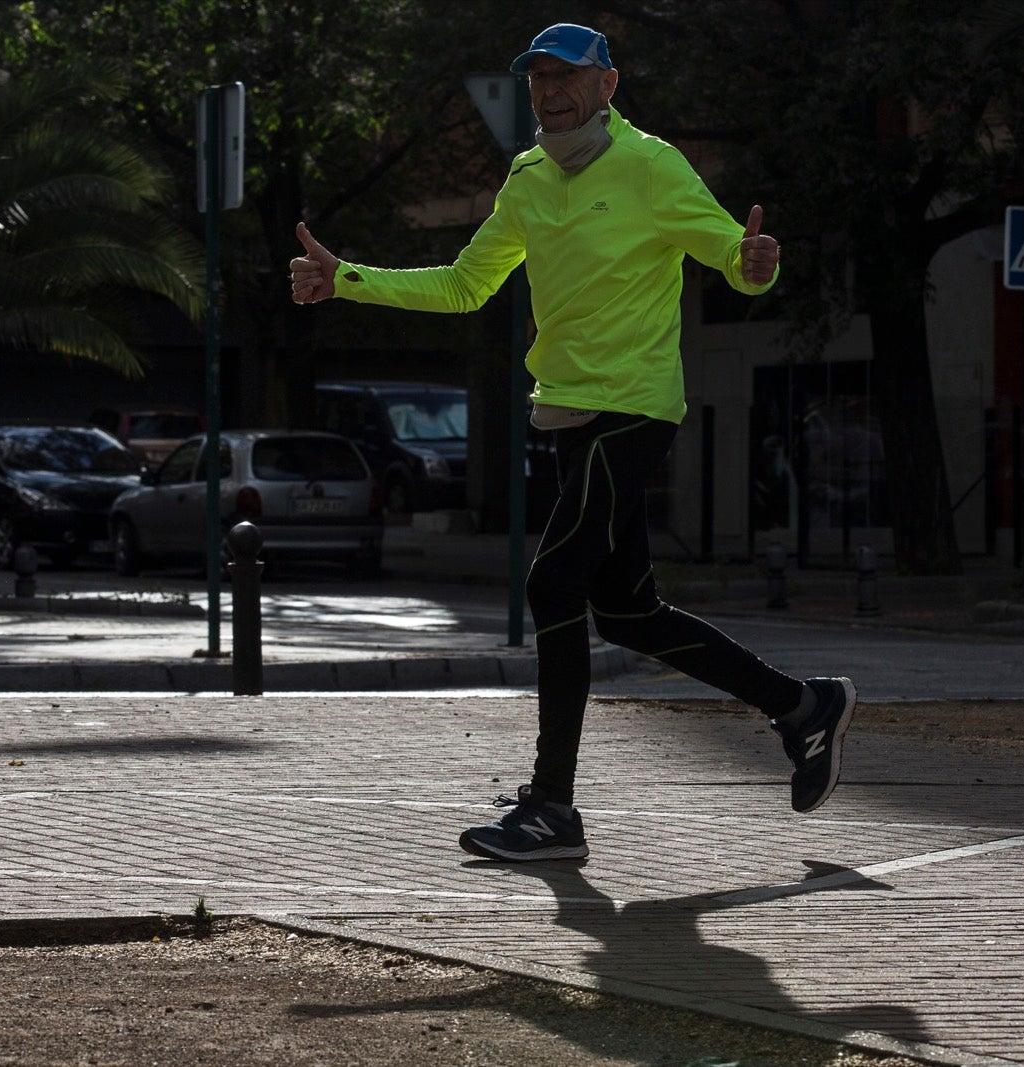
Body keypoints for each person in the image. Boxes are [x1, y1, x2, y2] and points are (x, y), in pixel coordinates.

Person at [289, 23, 855, 861]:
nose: (551, 90)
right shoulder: (526, 179)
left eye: (568, 76)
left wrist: (754, 263)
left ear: (607, 86)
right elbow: (465, 285)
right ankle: (804, 706)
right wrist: (349, 280)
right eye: (538, 78)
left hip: (633, 411)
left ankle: (553, 808)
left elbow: (727, 252)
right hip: (566, 414)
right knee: (628, 613)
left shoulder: (654, 166)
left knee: (553, 584)